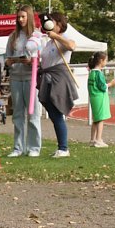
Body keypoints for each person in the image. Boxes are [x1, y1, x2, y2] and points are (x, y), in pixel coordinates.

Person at [37, 11, 78, 158]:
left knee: (57, 114)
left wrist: (56, 37)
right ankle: (62, 146)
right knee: (54, 115)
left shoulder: (63, 38)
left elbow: (72, 46)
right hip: (47, 77)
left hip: (58, 78)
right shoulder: (48, 42)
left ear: (59, 24)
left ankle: (63, 148)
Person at [4, 5, 42, 157]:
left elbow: (41, 59)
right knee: (18, 114)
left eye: (23, 17)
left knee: (33, 114)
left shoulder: (37, 35)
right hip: (15, 78)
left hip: (31, 79)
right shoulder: (13, 37)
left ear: (29, 17)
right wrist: (11, 61)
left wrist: (32, 62)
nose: (20, 20)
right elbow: (6, 59)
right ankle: (18, 147)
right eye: (18, 17)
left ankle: (34, 147)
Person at [87, 51, 115, 147]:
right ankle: (98, 139)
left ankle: (92, 139)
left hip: (93, 97)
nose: (106, 62)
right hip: (99, 97)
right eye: (106, 60)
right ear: (101, 61)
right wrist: (111, 84)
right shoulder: (98, 73)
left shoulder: (91, 72)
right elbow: (102, 87)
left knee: (95, 119)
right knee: (100, 119)